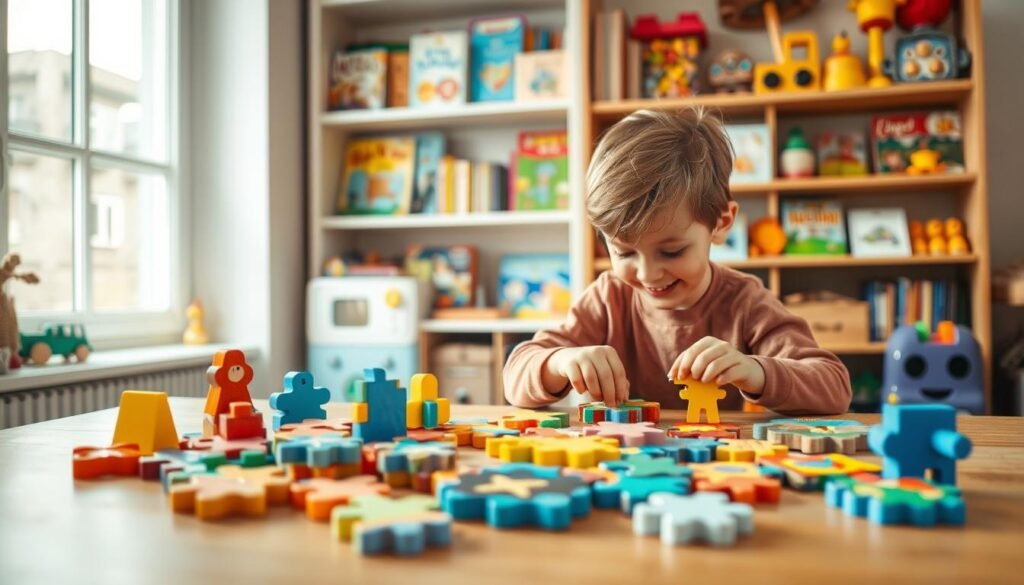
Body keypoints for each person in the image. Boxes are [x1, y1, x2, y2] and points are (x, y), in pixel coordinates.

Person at [503, 107, 852, 415]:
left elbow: (834, 387)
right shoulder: (607, 298)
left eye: (671, 252)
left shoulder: (745, 301)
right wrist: (559, 361)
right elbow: (516, 374)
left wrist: (755, 371)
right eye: (624, 252)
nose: (647, 273)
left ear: (721, 223)